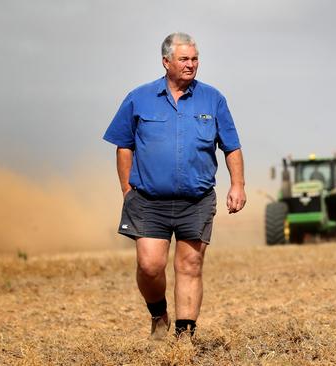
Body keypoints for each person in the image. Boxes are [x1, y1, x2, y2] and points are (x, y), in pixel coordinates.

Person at [103, 32, 246, 340]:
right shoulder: (138, 98)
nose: (190, 65)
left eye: (195, 59)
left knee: (191, 264)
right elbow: (123, 145)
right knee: (150, 265)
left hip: (196, 200)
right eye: (184, 59)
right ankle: (158, 314)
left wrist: (238, 185)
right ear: (166, 61)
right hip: (148, 200)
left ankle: (184, 339)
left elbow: (231, 146)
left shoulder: (213, 99)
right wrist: (127, 190)